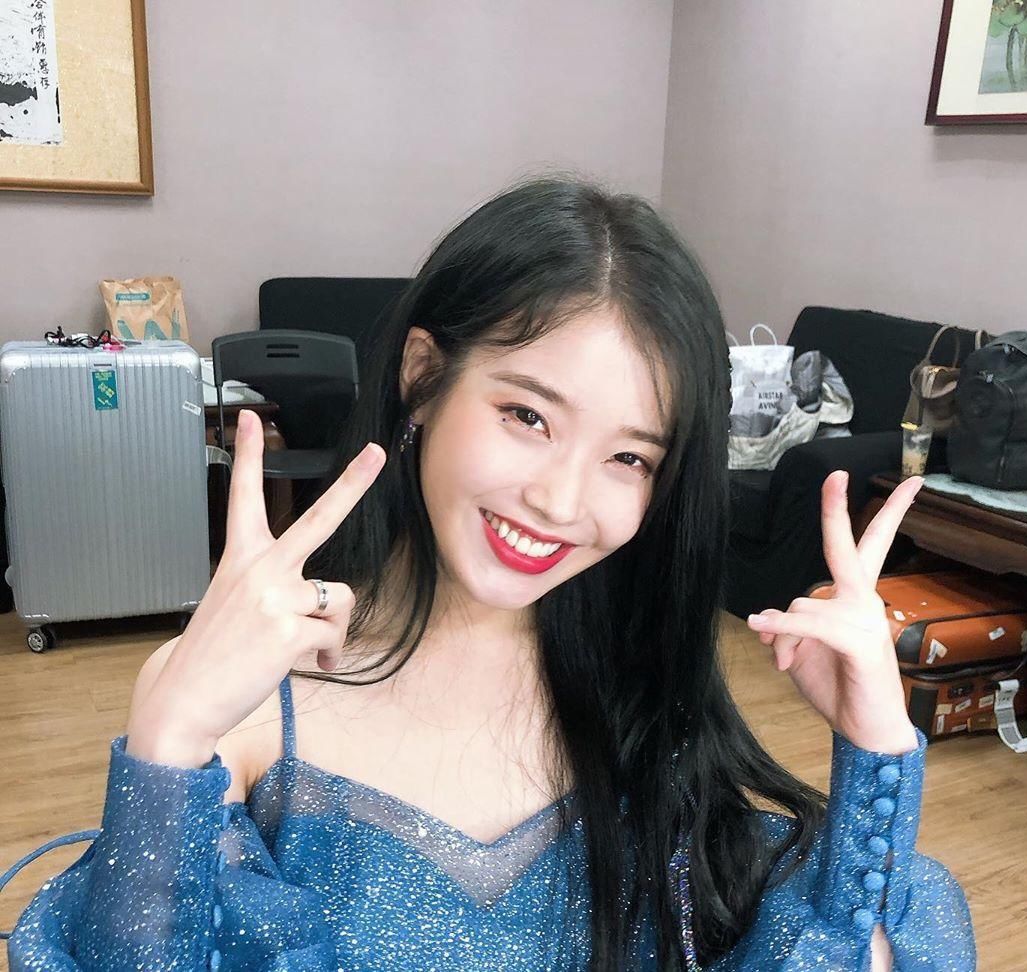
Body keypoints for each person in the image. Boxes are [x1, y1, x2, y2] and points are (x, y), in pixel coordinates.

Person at [4, 176, 975, 970]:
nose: (560, 500)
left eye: (629, 457)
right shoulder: (246, 709)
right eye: (528, 416)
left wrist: (875, 749)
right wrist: (170, 739)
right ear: (423, 376)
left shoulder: (645, 711)